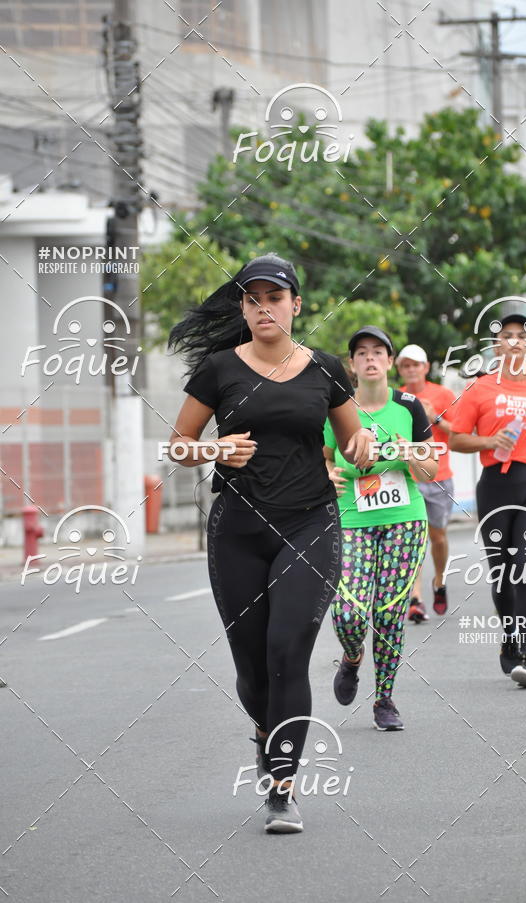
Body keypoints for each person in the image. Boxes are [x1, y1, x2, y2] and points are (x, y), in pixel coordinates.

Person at [169, 253, 374, 833]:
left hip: (310, 523)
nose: (265, 307)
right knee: (253, 670)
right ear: (243, 307)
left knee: (288, 651)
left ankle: (282, 788)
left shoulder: (327, 369)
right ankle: (264, 729)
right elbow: (179, 442)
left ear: (296, 306)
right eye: (254, 299)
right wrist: (215, 450)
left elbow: (353, 437)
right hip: (237, 530)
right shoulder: (218, 370)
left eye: (275, 297)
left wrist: (360, 450)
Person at [323, 326, 438, 729]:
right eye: (361, 353)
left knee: (389, 612)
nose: (370, 358)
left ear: (389, 362)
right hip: (351, 520)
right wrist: (329, 472)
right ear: (352, 364)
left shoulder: (409, 407)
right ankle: (352, 657)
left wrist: (411, 455)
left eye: (378, 352)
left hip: (404, 520)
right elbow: (322, 457)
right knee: (349, 613)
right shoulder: (337, 407)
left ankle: (384, 700)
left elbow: (430, 471)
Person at [449, 314, 526, 687]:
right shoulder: (480, 388)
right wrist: (489, 442)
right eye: (507, 336)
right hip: (495, 486)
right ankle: (510, 639)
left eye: (522, 337)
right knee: (503, 574)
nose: (515, 342)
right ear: (497, 346)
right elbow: (456, 439)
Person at [396, 343, 456, 621]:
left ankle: (440, 582)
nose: (410, 370)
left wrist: (437, 418)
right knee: (414, 538)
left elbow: (460, 432)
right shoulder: (397, 399)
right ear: (399, 369)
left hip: (440, 476)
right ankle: (416, 599)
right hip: (410, 476)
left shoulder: (442, 394)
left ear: (426, 367)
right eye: (405, 365)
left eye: (415, 365)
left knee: (438, 537)